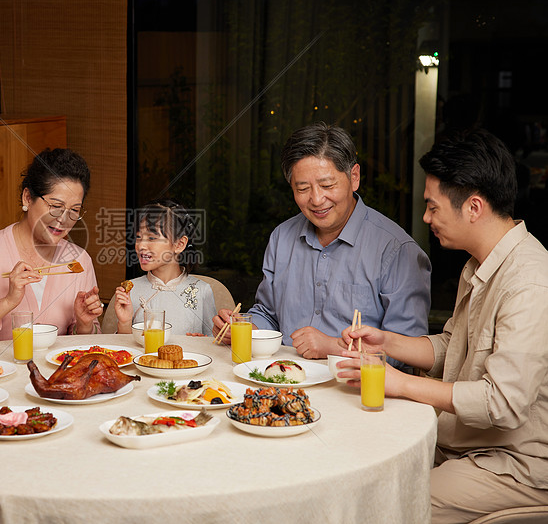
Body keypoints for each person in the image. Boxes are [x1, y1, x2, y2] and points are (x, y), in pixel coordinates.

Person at [343, 129, 548, 522]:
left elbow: (502, 403)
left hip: (512, 461)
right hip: (463, 441)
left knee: (386, 506)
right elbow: (453, 344)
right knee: (361, 459)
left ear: (473, 207)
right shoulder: (480, 262)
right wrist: (385, 342)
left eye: (433, 207)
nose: (426, 218)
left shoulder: (529, 281)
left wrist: (401, 383)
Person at [213, 122, 431, 364]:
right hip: (283, 378)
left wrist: (334, 347)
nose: (316, 199)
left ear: (354, 177)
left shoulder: (397, 250)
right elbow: (268, 314)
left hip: (353, 390)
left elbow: (410, 354)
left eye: (327, 185)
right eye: (303, 188)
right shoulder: (282, 238)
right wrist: (244, 329)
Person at [0, 148, 102, 344]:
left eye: (74, 210)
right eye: (56, 207)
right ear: (27, 198)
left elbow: (90, 343)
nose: (64, 219)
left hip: (55, 373)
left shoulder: (79, 260)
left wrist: (84, 325)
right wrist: (7, 302)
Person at [111, 199, 217, 336]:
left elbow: (214, 343)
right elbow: (122, 351)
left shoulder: (202, 291)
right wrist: (124, 323)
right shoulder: (130, 292)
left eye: (151, 238)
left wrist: (202, 342)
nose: (140, 246)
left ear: (179, 244)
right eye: (138, 237)